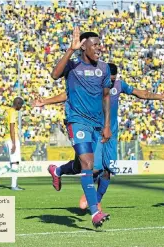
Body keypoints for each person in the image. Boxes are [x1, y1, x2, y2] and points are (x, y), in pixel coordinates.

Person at [33, 63, 164, 210]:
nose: (111, 82)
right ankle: (79, 187)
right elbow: (68, 94)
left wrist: (160, 97)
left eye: (113, 79)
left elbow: (141, 93)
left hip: (111, 134)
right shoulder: (93, 84)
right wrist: (45, 101)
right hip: (94, 130)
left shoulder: (120, 85)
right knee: (91, 168)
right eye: (109, 79)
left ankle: (95, 200)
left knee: (108, 171)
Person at [47, 27, 112, 228]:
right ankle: (95, 213)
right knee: (88, 162)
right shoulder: (73, 65)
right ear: (83, 47)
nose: (99, 48)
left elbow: (106, 97)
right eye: (95, 45)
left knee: (81, 166)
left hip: (96, 125)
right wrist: (69, 50)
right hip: (77, 121)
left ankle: (57, 170)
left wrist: (107, 125)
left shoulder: (104, 68)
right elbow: (54, 75)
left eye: (100, 44)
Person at [0, 97, 25, 191]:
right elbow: (11, 127)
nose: (21, 107)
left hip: (7, 138)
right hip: (12, 139)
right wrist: (14, 143)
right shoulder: (13, 112)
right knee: (15, 163)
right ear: (18, 104)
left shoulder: (7, 111)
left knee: (13, 162)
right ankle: (14, 185)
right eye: (21, 105)